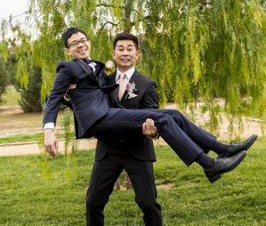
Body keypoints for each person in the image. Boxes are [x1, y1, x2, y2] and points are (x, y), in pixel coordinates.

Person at [44, 28, 257, 190]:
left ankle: (223, 149)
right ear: (68, 50)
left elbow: (91, 93)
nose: (80, 45)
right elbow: (53, 97)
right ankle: (208, 164)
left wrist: (71, 97)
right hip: (101, 120)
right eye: (74, 44)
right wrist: (49, 131)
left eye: (82, 41)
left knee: (172, 114)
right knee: (164, 119)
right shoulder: (67, 67)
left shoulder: (97, 68)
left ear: (89, 42)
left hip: (110, 115)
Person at [81, 32, 163, 226]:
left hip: (138, 150)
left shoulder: (147, 84)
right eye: (120, 48)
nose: (125, 52)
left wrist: (153, 131)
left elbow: (154, 118)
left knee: (148, 203)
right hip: (108, 151)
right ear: (113, 53)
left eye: (130, 49)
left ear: (137, 54)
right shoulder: (102, 82)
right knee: (93, 201)